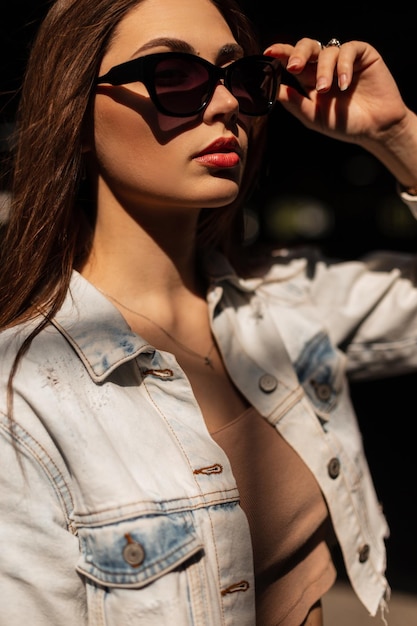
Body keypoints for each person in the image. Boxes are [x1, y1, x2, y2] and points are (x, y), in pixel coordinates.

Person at [1, 0, 417, 624]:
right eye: (173, 76)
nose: (225, 104)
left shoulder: (281, 305)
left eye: (241, 77)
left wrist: (397, 134)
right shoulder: (24, 400)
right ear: (75, 114)